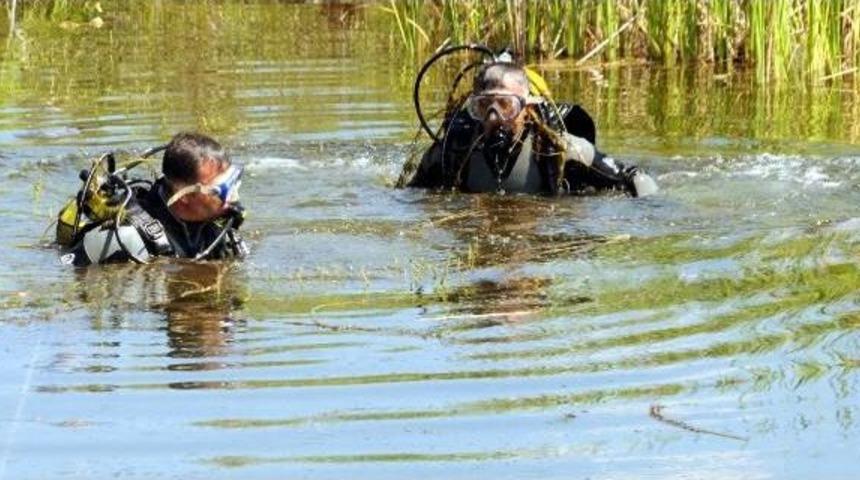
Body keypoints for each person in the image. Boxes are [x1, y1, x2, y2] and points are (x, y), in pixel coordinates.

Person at [402, 58, 658, 197]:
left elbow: (634, 178)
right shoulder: (452, 152)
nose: (494, 117)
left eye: (506, 105)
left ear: (529, 109)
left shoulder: (562, 151)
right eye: (484, 107)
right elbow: (408, 197)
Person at [57, 132, 249, 266]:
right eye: (222, 190)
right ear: (186, 197)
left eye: (234, 181)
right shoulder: (125, 239)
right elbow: (70, 278)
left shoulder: (219, 228)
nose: (233, 197)